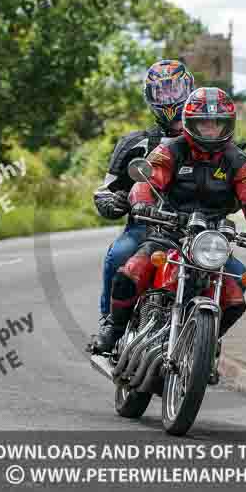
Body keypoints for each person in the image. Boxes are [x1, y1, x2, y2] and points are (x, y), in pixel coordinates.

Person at [102, 87, 246, 378]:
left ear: (227, 125)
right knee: (130, 271)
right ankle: (114, 329)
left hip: (211, 239)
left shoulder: (239, 161)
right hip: (168, 231)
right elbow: (147, 180)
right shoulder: (170, 150)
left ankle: (204, 345)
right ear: (190, 123)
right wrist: (144, 203)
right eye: (204, 123)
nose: (210, 129)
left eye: (217, 122)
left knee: (236, 294)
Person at [90, 60, 194, 352]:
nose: (171, 97)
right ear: (150, 97)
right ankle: (111, 324)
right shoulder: (135, 143)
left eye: (176, 88)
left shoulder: (209, 141)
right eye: (162, 91)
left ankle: (205, 338)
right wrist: (116, 201)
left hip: (196, 231)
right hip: (146, 228)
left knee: (231, 271)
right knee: (119, 254)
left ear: (190, 90)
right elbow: (105, 192)